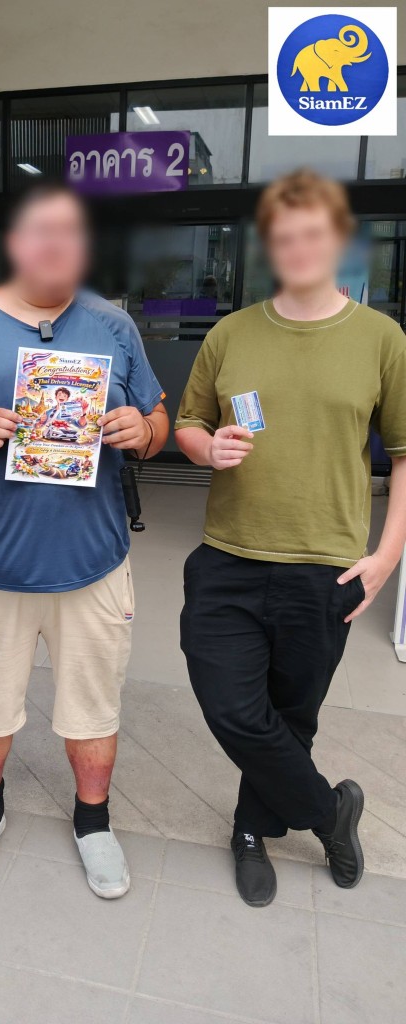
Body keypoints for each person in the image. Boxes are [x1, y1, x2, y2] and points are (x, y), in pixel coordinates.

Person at [0, 182, 168, 899]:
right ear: (15, 243)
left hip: (92, 564)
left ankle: (94, 821)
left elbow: (158, 415)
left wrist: (145, 433)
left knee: (95, 706)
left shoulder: (112, 327)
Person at [175, 169, 406, 908]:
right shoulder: (230, 332)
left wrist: (387, 557)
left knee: (290, 717)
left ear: (339, 239)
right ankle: (327, 810)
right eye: (284, 235)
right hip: (229, 556)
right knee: (232, 706)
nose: (298, 247)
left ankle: (251, 828)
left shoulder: (382, 338)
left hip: (325, 566)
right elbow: (188, 424)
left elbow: (404, 454)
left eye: (313, 233)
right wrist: (204, 449)